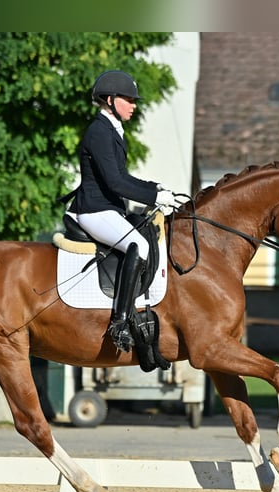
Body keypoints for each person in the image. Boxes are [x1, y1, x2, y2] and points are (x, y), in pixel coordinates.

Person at [65, 70, 179, 352]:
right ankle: (120, 321)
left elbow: (122, 177)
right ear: (110, 99)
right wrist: (154, 196)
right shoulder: (99, 132)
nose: (134, 105)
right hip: (93, 211)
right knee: (138, 245)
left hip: (108, 209)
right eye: (129, 99)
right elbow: (115, 182)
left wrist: (156, 188)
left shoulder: (112, 130)